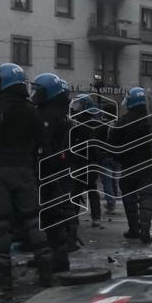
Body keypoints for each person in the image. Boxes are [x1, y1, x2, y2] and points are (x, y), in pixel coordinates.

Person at [0, 63, 50, 292]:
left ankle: (4, 276)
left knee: (1, 225)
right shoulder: (31, 110)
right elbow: (43, 143)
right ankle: (45, 268)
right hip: (24, 170)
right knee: (33, 221)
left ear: (2, 83)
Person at [30, 72, 76, 276]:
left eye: (38, 90)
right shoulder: (61, 111)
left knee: (51, 216)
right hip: (60, 170)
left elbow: (44, 144)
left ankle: (57, 258)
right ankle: (54, 255)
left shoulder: (48, 114)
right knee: (54, 215)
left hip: (50, 172)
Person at [108, 87, 152, 244]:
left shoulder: (122, 121)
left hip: (128, 166)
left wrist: (119, 158)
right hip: (148, 166)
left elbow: (112, 145)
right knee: (146, 197)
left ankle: (134, 230)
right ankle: (146, 230)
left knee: (129, 198)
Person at [69, 94, 104, 228]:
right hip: (93, 161)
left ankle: (74, 217)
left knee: (76, 190)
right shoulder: (96, 123)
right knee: (92, 189)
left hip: (82, 160)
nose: (75, 107)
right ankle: (96, 217)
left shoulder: (79, 123)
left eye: (78, 104)